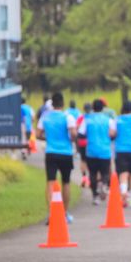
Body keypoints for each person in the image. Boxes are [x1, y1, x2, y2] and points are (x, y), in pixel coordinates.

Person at [36, 91, 77, 223]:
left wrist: (48, 138)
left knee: (50, 182)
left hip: (51, 152)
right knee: (66, 182)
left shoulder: (45, 117)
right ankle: (64, 213)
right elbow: (73, 134)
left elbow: (37, 134)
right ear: (63, 103)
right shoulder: (68, 117)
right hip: (66, 153)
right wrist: (70, 139)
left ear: (52, 104)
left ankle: (52, 213)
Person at [77, 98, 116, 205]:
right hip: (105, 151)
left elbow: (80, 134)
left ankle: (95, 196)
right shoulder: (108, 120)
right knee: (105, 172)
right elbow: (113, 134)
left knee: (92, 174)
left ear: (93, 108)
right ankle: (104, 184)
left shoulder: (87, 120)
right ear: (102, 108)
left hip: (91, 151)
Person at [76, 103, 91, 187]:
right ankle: (91, 178)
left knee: (83, 160)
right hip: (91, 142)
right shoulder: (93, 117)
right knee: (91, 161)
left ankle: (84, 178)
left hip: (82, 142)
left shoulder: (81, 117)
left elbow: (77, 128)